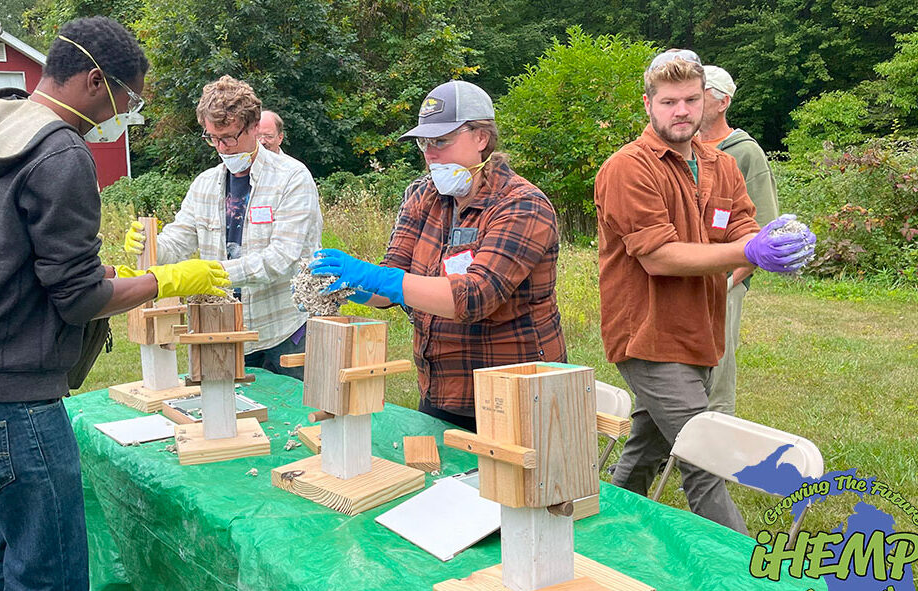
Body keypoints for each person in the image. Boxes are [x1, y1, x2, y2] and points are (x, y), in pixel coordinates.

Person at [0, 17, 229, 591]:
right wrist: (166, 280)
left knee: (11, 550)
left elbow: (23, 264)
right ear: (94, 81)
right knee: (53, 573)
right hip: (10, 391)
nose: (125, 116)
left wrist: (109, 268)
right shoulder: (62, 151)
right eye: (128, 99)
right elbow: (79, 299)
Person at [594, 50, 816, 534]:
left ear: (706, 102)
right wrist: (748, 253)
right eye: (670, 101)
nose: (682, 111)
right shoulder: (628, 168)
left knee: (647, 446)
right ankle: (749, 576)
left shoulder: (720, 164)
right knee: (705, 459)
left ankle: (603, 529)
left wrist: (769, 243)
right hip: (648, 338)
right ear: (649, 105)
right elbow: (660, 257)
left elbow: (742, 225)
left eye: (691, 100)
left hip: (702, 335)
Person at [310, 80, 566, 431]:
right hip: (442, 390)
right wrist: (347, 285)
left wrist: (376, 277)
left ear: (481, 138)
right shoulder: (423, 194)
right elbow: (393, 279)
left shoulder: (522, 205)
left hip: (517, 394)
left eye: (442, 141)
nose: (430, 153)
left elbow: (474, 297)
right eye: (424, 143)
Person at [123, 76, 322, 380]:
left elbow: (282, 258)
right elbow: (179, 240)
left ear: (254, 126)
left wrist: (212, 274)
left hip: (283, 329)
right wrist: (151, 245)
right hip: (225, 328)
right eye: (212, 138)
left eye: (229, 137)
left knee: (295, 418)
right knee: (232, 418)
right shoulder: (205, 184)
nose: (222, 148)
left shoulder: (292, 178)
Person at [698, 64, 781, 415]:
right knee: (670, 362)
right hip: (678, 272)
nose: (686, 105)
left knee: (717, 361)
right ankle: (667, 444)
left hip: (726, 278)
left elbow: (764, 230)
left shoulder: (745, 152)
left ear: (722, 102)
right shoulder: (678, 147)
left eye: (697, 95)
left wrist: (731, 280)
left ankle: (713, 447)